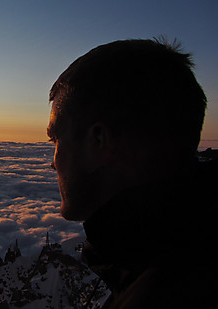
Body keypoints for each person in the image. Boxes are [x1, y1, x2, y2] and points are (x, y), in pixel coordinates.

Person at [47, 39, 218, 308]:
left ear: (98, 141)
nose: (53, 163)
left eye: (55, 139)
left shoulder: (161, 293)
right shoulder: (198, 243)